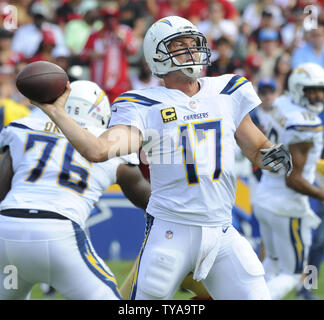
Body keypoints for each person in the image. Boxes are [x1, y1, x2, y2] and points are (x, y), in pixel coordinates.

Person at [32, 16, 292, 300]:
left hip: (222, 230)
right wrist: (56, 112)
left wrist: (276, 156)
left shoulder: (226, 91)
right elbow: (97, 150)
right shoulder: (144, 104)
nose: (191, 51)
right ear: (158, 55)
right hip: (171, 230)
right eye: (179, 45)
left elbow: (256, 146)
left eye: (193, 43)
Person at [0, 80, 151, 300]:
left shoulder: (23, 129)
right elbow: (146, 198)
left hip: (6, 232)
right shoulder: (105, 145)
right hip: (59, 234)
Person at [252, 62, 324, 300]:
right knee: (292, 273)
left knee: (272, 264)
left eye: (320, 89)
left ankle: (307, 289)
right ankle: (304, 289)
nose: (318, 95)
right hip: (286, 203)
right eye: (311, 90)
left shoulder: (281, 104)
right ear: (297, 89)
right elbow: (293, 179)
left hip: (265, 194)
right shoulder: (305, 124)